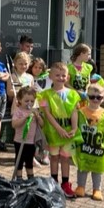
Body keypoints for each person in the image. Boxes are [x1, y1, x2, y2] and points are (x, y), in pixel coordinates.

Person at [73, 84, 104, 201]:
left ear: (103, 98)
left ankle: (97, 189)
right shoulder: (81, 112)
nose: (95, 100)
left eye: (98, 97)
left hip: (98, 147)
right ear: (87, 97)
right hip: (84, 146)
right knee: (82, 167)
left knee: (97, 169)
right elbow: (75, 126)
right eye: (92, 97)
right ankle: (81, 186)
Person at [39, 62, 82, 198]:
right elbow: (47, 113)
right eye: (57, 75)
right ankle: (53, 182)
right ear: (50, 76)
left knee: (65, 158)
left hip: (68, 132)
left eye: (63, 75)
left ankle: (65, 183)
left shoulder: (73, 94)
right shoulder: (44, 95)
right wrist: (58, 128)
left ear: (68, 77)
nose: (60, 78)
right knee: (54, 157)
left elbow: (74, 112)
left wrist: (74, 128)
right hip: (53, 132)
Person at [11, 87, 43, 179]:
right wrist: (25, 118)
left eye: (32, 101)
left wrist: (38, 117)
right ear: (20, 100)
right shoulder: (18, 111)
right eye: (26, 101)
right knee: (19, 160)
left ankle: (30, 177)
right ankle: (19, 177)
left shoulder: (34, 111)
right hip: (19, 141)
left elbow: (42, 124)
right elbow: (14, 124)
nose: (29, 103)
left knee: (29, 160)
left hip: (31, 141)